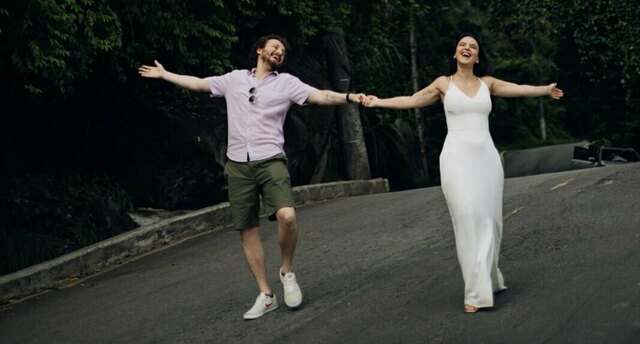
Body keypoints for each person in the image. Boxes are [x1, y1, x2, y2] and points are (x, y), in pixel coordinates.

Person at [139, 34, 364, 320]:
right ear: (259, 50)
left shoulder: (287, 83)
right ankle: (265, 295)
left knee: (288, 216)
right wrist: (165, 74)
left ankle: (287, 270)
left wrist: (347, 97)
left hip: (270, 159)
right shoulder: (234, 79)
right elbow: (199, 83)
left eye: (283, 49)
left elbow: (319, 95)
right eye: (275, 46)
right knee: (247, 229)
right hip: (238, 164)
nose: (279, 51)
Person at [364, 32, 564, 313]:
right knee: (468, 216)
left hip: (486, 159)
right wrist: (378, 102)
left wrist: (544, 89)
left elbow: (517, 88)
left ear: (478, 57)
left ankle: (489, 278)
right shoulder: (443, 84)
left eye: (473, 46)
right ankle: (475, 292)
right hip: (456, 157)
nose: (467, 48)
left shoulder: (488, 83)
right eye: (462, 45)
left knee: (490, 221)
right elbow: (412, 99)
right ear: (455, 54)